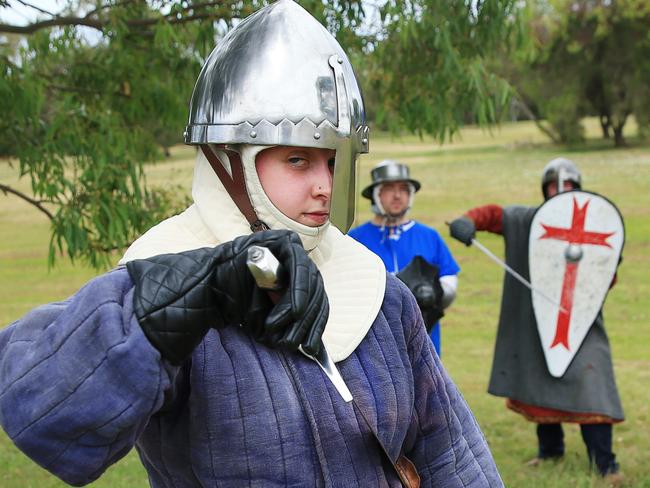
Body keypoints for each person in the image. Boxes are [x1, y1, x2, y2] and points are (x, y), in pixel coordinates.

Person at [0, 2, 503, 487]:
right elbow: (45, 415)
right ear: (229, 160)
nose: (325, 185)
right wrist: (196, 294)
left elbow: (450, 454)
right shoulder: (161, 272)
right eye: (297, 160)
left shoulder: (380, 292)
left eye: (330, 161)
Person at [448, 157, 623, 483]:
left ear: (578, 188)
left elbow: (606, 275)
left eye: (568, 186)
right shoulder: (531, 220)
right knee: (541, 379)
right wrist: (467, 221)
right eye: (555, 186)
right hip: (539, 321)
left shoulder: (597, 223)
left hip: (581, 324)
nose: (561, 191)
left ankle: (606, 465)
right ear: (544, 189)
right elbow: (494, 215)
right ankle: (551, 452)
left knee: (593, 385)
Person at [348, 160, 460, 356]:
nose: (397, 195)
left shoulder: (429, 236)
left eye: (403, 189)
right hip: (372, 346)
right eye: (389, 188)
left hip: (424, 344)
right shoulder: (355, 240)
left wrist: (432, 294)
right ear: (377, 194)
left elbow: (449, 283)